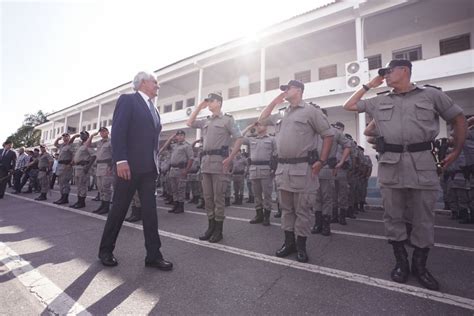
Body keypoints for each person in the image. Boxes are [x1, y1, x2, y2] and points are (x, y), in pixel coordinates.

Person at [343, 59, 466, 291]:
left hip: (423, 163)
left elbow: (458, 119)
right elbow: (349, 106)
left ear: (405, 71)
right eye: (385, 73)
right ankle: (401, 262)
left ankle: (420, 266)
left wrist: (457, 150)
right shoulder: (380, 100)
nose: (387, 75)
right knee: (393, 217)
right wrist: (371, 84)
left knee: (423, 218)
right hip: (391, 164)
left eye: (390, 71)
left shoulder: (430, 95)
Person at [98, 71, 172, 271]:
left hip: (149, 169)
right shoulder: (128, 100)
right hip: (128, 168)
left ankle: (153, 255)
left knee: (150, 213)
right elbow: (119, 131)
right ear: (143, 83)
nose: (158, 86)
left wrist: (155, 165)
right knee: (119, 210)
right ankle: (105, 251)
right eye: (155, 82)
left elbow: (153, 143)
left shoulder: (154, 110)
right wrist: (121, 160)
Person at [258, 80, 334, 262]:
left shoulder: (311, 111)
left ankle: (301, 246)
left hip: (303, 168)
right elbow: (261, 120)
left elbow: (328, 135)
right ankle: (288, 243)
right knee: (286, 210)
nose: (284, 91)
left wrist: (322, 161)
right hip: (283, 169)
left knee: (302, 211)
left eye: (287, 88)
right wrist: (275, 101)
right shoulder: (281, 113)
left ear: (298, 90)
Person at [187, 92, 243, 243]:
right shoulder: (207, 121)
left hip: (219, 163)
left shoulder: (228, 119)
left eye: (211, 101)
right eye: (208, 102)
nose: (209, 104)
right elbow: (189, 123)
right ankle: (210, 227)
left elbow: (239, 138)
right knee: (208, 198)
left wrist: (230, 158)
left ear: (218, 102)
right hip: (205, 164)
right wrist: (199, 107)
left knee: (219, 199)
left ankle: (219, 230)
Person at [242, 121, 276, 226]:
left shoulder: (271, 139)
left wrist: (274, 169)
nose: (258, 127)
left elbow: (276, 155)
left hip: (266, 169)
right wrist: (250, 126)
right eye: (257, 125)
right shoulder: (252, 139)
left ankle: (266, 217)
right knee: (256, 195)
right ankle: (259, 215)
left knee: (267, 194)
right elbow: (239, 136)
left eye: (261, 125)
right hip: (254, 169)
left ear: (266, 127)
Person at [159, 130, 193, 214]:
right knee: (174, 189)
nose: (180, 137)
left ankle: (180, 206)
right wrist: (170, 138)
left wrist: (186, 170)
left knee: (181, 188)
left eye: (182, 135)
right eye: (178, 135)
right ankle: (175, 205)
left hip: (181, 169)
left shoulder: (187, 146)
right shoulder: (174, 146)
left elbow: (191, 158)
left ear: (184, 136)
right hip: (173, 169)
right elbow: (164, 147)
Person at [86, 127, 113, 214]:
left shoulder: (111, 142)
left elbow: (115, 154)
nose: (102, 133)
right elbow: (87, 145)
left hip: (106, 166)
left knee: (106, 187)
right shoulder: (99, 142)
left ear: (107, 132)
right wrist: (91, 136)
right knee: (100, 187)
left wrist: (111, 166)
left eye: (104, 131)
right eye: (101, 132)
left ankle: (106, 207)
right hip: (99, 166)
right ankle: (102, 205)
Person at [70, 131, 96, 209]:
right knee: (78, 185)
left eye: (83, 134)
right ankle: (79, 201)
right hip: (77, 167)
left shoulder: (88, 144)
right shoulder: (79, 145)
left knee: (82, 185)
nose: (81, 136)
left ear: (87, 136)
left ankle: (82, 202)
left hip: (83, 167)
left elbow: (94, 156)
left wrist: (88, 166)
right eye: (81, 134)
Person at [53, 133, 75, 204]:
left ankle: (65, 198)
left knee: (65, 182)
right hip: (60, 165)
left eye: (66, 136)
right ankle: (62, 197)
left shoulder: (70, 146)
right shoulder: (62, 145)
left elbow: (74, 155)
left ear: (69, 137)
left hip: (66, 165)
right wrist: (58, 139)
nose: (65, 138)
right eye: (64, 137)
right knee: (61, 182)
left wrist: (70, 164)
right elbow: (55, 144)